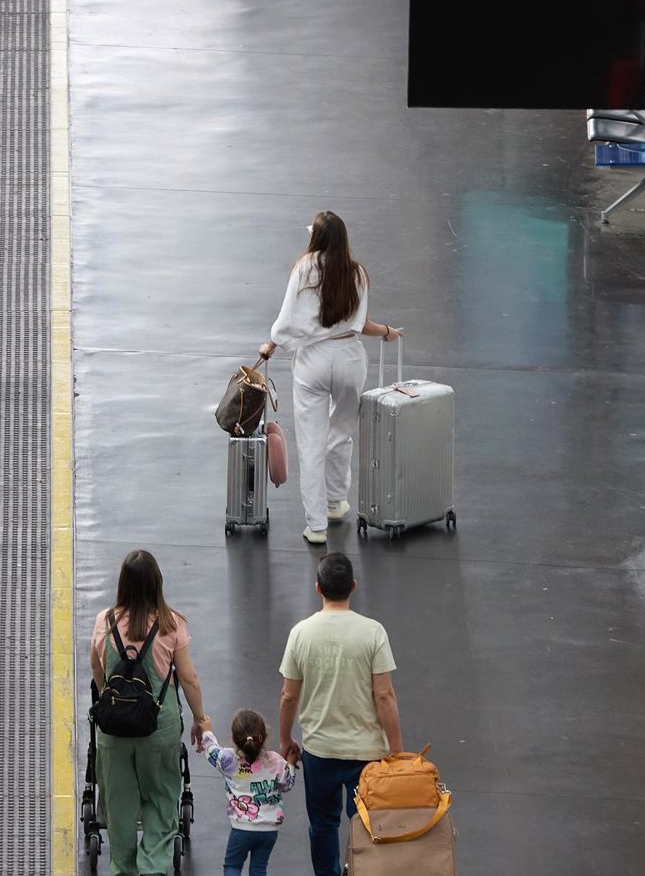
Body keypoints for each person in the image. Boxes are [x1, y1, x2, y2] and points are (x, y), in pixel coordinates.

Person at [257, 212, 402, 545]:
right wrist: (388, 333)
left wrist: (272, 345)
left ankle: (317, 525)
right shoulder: (358, 273)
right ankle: (337, 501)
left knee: (311, 444)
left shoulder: (305, 268)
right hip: (350, 358)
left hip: (314, 360)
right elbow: (361, 324)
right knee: (341, 433)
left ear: (316, 237)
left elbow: (285, 318)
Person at [277, 553, 401, 876]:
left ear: (318, 588)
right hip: (368, 752)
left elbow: (289, 695)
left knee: (322, 823)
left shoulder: (301, 633)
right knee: (365, 820)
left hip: (320, 750)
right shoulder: (373, 633)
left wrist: (285, 739)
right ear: (354, 587)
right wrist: (398, 751)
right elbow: (384, 695)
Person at [91, 550, 210, 876]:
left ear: (123, 584)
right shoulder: (171, 624)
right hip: (158, 728)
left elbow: (96, 666)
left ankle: (122, 869)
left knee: (120, 805)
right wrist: (201, 720)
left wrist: (110, 698)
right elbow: (188, 678)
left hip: (114, 733)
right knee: (160, 799)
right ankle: (154, 867)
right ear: (157, 583)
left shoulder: (105, 621)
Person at [198, 709, 298, 876]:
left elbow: (211, 750)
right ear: (263, 737)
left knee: (232, 866)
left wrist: (206, 730)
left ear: (235, 739)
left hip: (241, 829)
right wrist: (291, 764)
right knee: (259, 868)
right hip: (269, 830)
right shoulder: (275, 761)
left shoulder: (229, 759)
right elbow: (287, 784)